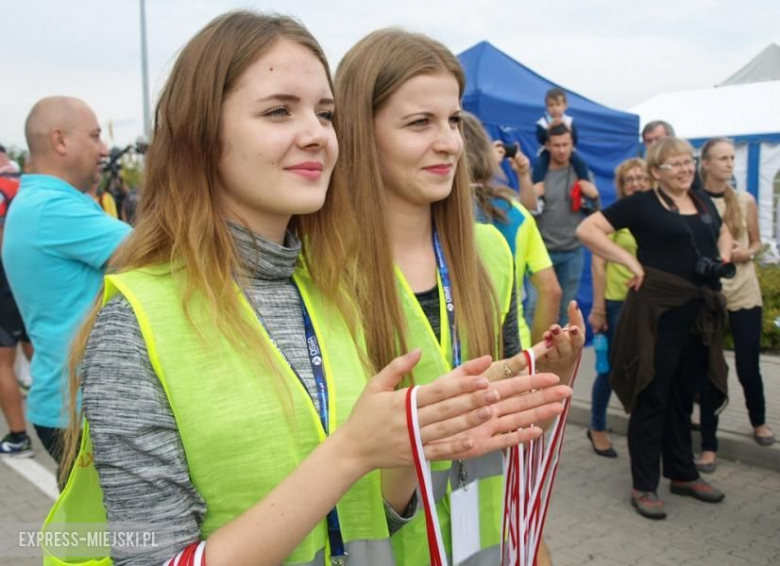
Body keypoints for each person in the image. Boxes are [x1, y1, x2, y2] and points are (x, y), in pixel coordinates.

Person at [48, 13, 573, 566]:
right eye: (279, 111)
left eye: (325, 114)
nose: (316, 134)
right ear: (202, 136)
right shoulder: (137, 320)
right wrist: (351, 453)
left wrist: (420, 437)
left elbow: (372, 526)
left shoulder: (330, 289)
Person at [333, 29, 584, 566]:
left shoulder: (490, 250)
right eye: (420, 122)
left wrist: (550, 383)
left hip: (488, 540)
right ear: (359, 132)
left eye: (452, 119)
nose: (449, 141)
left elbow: (507, 422)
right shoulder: (322, 273)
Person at [576, 136, 731, 520]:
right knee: (652, 396)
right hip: (657, 315)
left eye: (687, 161)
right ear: (656, 171)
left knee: (683, 397)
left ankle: (682, 474)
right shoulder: (641, 204)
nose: (684, 169)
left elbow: (723, 231)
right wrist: (629, 262)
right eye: (674, 164)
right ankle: (644, 484)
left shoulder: (701, 200)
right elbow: (589, 230)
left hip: (698, 315)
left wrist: (724, 256)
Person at [2, 97, 131, 477]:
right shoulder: (52, 208)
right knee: (113, 534)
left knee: (92, 531)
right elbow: (157, 252)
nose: (104, 149)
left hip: (67, 403)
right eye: (94, 136)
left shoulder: (41, 202)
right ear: (60, 141)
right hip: (79, 410)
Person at [696, 137, 774, 473]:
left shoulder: (744, 200)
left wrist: (749, 252)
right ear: (707, 164)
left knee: (747, 364)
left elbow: (758, 241)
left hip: (744, 291)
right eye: (722, 158)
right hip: (710, 295)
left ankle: (758, 421)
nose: (729, 163)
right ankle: (709, 445)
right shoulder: (694, 203)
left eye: (731, 157)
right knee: (710, 369)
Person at [462, 111, 562, 348]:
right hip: (513, 351)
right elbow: (551, 291)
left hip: (450, 358)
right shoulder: (516, 213)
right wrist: (538, 354)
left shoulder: (423, 212)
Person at [586, 158, 651, 458]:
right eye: (630, 179)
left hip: (648, 305)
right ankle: (597, 426)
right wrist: (598, 308)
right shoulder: (614, 218)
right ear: (622, 186)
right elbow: (598, 265)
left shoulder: (655, 214)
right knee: (610, 369)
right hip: (616, 303)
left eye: (642, 178)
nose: (637, 183)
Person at [520, 122, 600, 325]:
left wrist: (595, 196)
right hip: (541, 251)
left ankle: (564, 355)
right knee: (534, 307)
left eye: (566, 144)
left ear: (572, 144)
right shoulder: (538, 172)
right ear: (547, 145)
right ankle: (533, 355)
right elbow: (523, 212)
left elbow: (595, 213)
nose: (562, 150)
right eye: (557, 145)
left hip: (572, 250)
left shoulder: (581, 172)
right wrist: (531, 195)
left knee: (567, 309)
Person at [0, 151, 34, 457]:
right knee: (34, 344)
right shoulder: (23, 183)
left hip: (3, 279)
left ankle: (18, 435)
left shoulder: (2, 186)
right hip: (30, 275)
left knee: (2, 362)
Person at [531, 88, 590, 187]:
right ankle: (538, 190)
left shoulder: (569, 121)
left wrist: (567, 129)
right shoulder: (542, 122)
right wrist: (549, 129)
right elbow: (541, 140)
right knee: (538, 165)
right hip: (547, 152)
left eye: (558, 104)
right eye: (551, 105)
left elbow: (575, 138)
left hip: (567, 152)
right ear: (546, 107)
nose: (555, 108)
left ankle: (585, 184)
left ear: (565, 106)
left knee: (580, 163)